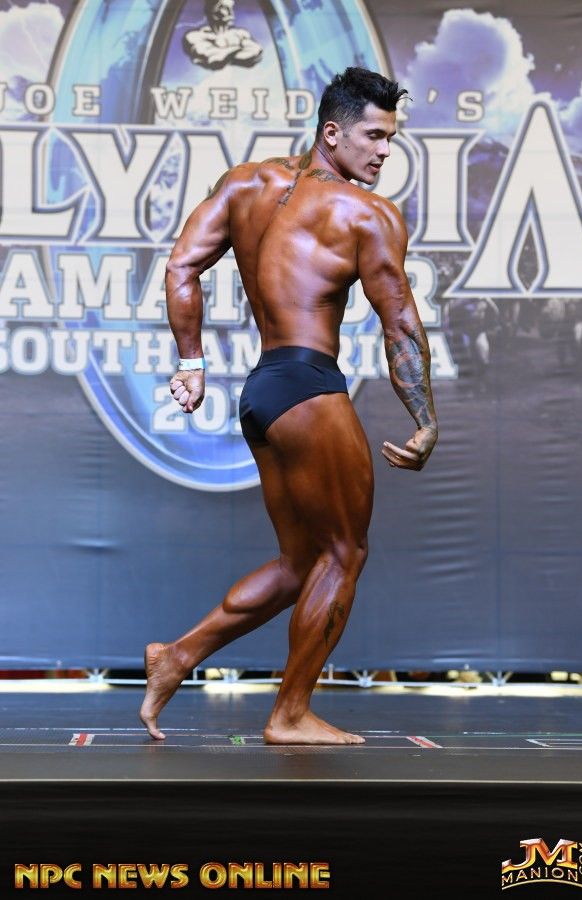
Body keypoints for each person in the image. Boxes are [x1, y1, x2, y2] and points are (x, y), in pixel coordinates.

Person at [140, 67, 438, 745]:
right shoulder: (367, 214)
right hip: (308, 386)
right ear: (332, 132)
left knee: (300, 563)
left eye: (391, 139)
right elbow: (399, 322)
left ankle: (176, 656)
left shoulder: (246, 184)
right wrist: (425, 419)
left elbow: (182, 265)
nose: (384, 152)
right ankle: (291, 713)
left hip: (264, 392)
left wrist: (192, 362)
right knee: (345, 552)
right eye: (373, 136)